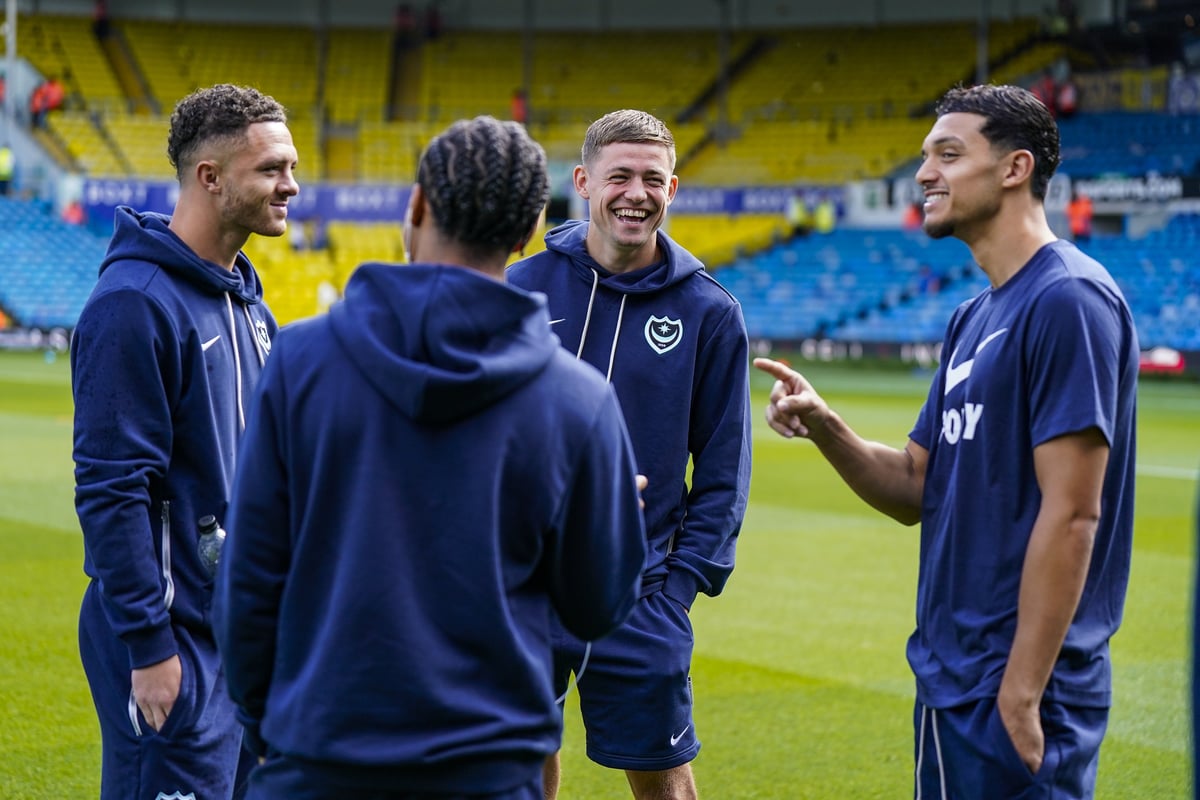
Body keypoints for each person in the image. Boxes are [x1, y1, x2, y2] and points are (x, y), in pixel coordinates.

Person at [212, 115, 647, 800]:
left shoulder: (300, 362)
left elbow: (247, 584)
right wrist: (611, 516)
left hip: (317, 761)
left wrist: (278, 737)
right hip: (489, 771)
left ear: (416, 206)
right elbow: (599, 606)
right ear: (532, 229)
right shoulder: (578, 402)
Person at [757, 84, 1137, 799]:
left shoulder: (1068, 300)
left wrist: (1021, 693)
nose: (924, 173)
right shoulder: (972, 317)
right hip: (951, 676)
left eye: (948, 154)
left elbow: (1075, 513)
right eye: (924, 156)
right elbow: (913, 487)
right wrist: (825, 425)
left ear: (1015, 168)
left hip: (1018, 687)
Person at [507, 109, 753, 800]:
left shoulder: (710, 312)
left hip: (641, 592)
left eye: (652, 178)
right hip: (520, 588)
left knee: (666, 782)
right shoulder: (520, 290)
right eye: (619, 176)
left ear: (672, 189)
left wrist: (677, 591)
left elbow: (724, 472)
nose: (635, 193)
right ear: (584, 182)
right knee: (519, 763)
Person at [71, 83, 298, 800]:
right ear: (211, 177)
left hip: (240, 638)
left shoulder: (249, 301)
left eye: (291, 166)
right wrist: (148, 647)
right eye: (272, 169)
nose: (291, 185)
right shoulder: (135, 303)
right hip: (170, 639)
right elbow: (112, 488)